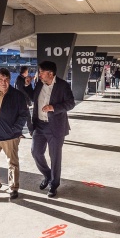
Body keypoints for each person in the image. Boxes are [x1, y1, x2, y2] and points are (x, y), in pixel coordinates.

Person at [0, 68, 30, 200]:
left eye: (6, 79)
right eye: (1, 79)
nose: (4, 82)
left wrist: (15, 130)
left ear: (10, 80)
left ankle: (13, 188)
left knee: (12, 163)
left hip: (10, 136)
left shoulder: (18, 96)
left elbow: (23, 114)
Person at [29, 60, 76, 198]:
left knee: (55, 157)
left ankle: (54, 185)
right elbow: (32, 98)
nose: (39, 74)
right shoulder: (39, 84)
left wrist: (53, 108)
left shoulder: (62, 86)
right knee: (36, 152)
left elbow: (71, 103)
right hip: (39, 125)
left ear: (50, 73)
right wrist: (26, 86)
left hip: (55, 127)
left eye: (41, 72)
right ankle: (48, 175)